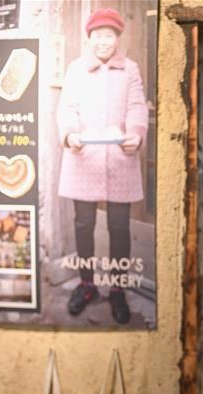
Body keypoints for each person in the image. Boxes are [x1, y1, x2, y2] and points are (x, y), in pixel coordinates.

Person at [57, 7, 148, 324]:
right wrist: (70, 135)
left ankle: (117, 289)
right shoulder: (76, 69)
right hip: (84, 157)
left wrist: (136, 134)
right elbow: (67, 108)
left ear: (117, 38)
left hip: (119, 159)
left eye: (108, 35)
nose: (102, 41)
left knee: (119, 227)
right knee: (83, 224)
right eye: (97, 35)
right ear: (89, 38)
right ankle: (87, 285)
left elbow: (136, 106)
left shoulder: (130, 69)